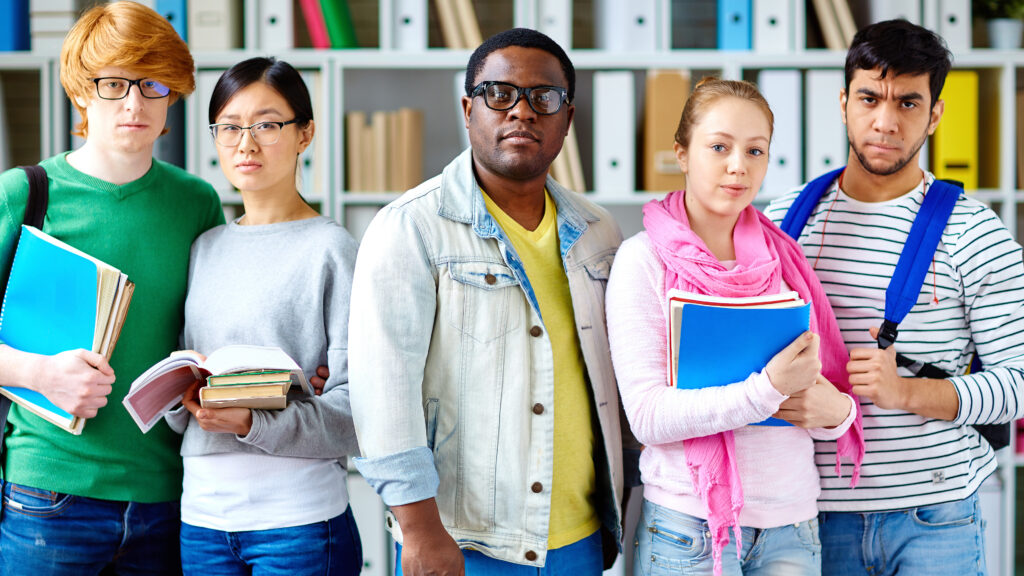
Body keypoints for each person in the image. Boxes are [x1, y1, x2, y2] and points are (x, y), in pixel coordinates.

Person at [348, 27, 634, 575]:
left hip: (584, 538)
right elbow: (383, 394)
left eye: (543, 98)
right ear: (467, 108)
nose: (521, 112)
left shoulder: (600, 232)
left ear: (567, 119)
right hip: (467, 542)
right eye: (499, 94)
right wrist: (420, 529)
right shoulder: (410, 228)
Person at [764, 19, 1024, 575]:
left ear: (935, 115)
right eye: (869, 98)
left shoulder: (977, 232)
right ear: (843, 103)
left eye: (908, 103)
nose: (885, 122)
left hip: (936, 516)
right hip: (808, 515)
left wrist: (905, 393)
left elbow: (1018, 387)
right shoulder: (780, 223)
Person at [606, 78, 863, 576]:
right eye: (719, 147)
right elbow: (648, 417)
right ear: (682, 153)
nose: (738, 166)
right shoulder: (643, 261)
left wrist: (838, 412)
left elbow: (824, 397)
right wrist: (766, 390)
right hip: (688, 528)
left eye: (755, 150)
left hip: (793, 525)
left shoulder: (786, 260)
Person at [0, 3, 224, 574]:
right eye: (114, 83)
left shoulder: (197, 203)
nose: (134, 103)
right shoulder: (24, 195)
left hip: (169, 499)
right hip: (46, 496)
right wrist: (38, 375)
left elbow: (213, 330)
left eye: (152, 85)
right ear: (81, 92)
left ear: (172, 94)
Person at [162, 57, 362, 576]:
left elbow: (358, 413)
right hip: (201, 523)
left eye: (267, 125)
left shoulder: (332, 249)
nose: (245, 144)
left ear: (304, 134)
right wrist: (180, 399)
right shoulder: (205, 247)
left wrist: (253, 422)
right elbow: (189, 381)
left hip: (297, 523)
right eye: (229, 128)